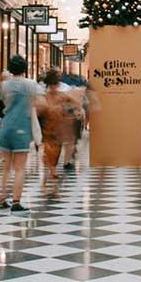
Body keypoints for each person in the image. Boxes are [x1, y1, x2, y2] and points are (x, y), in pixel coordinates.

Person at [0, 55, 39, 212]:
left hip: (6, 127)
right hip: (21, 127)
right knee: (20, 168)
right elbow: (34, 104)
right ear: (24, 68)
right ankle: (16, 202)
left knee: (6, 167)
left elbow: (2, 103)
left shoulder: (4, 85)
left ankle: (1, 199)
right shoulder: (30, 85)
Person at [36, 70, 81, 198]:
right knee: (50, 157)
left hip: (56, 131)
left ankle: (51, 185)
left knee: (53, 158)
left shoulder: (58, 96)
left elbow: (76, 103)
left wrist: (73, 112)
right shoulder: (45, 97)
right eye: (54, 84)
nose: (55, 86)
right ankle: (50, 185)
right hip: (48, 131)